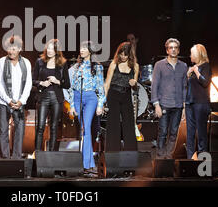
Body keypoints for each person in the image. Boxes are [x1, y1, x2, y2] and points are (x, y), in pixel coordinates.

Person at [67, 41, 106, 173]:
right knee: (83, 130)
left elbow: (101, 88)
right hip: (78, 98)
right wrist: (72, 105)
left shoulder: (97, 67)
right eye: (81, 48)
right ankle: (87, 163)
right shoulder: (76, 67)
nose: (81, 50)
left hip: (90, 98)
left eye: (84, 48)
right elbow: (71, 88)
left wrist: (100, 104)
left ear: (90, 50)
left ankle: (86, 163)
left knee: (86, 126)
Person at [0, 35, 32, 159]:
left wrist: (21, 101)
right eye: (9, 48)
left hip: (20, 102)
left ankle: (16, 158)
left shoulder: (26, 62)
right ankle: (4, 158)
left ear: (20, 49)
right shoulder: (1, 62)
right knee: (3, 130)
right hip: (3, 102)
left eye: (14, 49)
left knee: (19, 130)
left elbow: (28, 84)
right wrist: (9, 100)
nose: (11, 51)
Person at [151, 38, 187, 159]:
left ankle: (169, 156)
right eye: (170, 47)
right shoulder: (159, 65)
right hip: (164, 104)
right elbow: (154, 85)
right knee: (163, 132)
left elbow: (184, 87)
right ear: (167, 50)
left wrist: (184, 107)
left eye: (175, 48)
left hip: (178, 105)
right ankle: (160, 159)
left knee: (174, 133)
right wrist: (156, 105)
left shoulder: (183, 66)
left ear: (178, 50)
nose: (173, 50)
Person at [32, 39, 70, 152]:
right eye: (48, 48)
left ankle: (52, 155)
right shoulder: (40, 62)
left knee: (54, 127)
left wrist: (57, 81)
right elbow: (32, 80)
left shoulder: (62, 63)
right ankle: (38, 154)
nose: (49, 51)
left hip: (56, 98)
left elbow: (67, 84)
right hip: (43, 97)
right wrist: (41, 83)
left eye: (52, 49)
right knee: (40, 126)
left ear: (57, 51)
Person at [103, 42, 139, 151]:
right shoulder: (114, 64)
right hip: (113, 94)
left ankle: (130, 152)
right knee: (114, 124)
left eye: (125, 55)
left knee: (129, 123)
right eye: (121, 54)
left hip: (126, 95)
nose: (123, 57)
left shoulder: (135, 66)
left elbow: (135, 85)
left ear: (130, 55)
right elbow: (107, 84)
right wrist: (103, 102)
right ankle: (112, 152)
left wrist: (134, 83)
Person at [185, 44, 212, 159]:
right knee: (190, 135)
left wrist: (196, 72)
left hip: (201, 104)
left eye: (192, 53)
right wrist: (187, 75)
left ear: (198, 54)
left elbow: (205, 83)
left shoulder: (206, 66)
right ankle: (190, 161)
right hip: (190, 103)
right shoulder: (192, 68)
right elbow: (188, 87)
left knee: (201, 134)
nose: (190, 56)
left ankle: (203, 165)